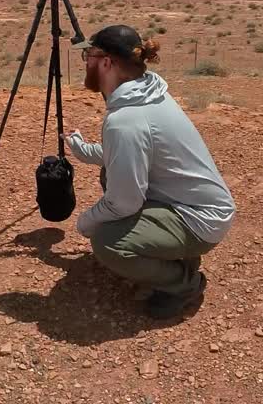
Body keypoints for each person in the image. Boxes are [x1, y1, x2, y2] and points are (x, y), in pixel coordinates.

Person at [66, 24, 236, 319]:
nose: (87, 64)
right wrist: (85, 150)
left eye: (89, 56)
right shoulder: (150, 93)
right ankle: (172, 254)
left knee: (108, 241)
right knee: (111, 174)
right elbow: (127, 154)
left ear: (107, 62)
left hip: (200, 220)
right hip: (196, 205)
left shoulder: (126, 119)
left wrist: (85, 222)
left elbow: (124, 202)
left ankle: (183, 284)